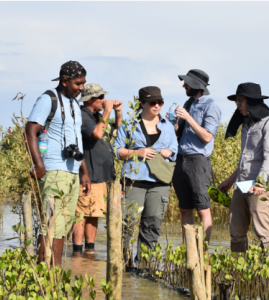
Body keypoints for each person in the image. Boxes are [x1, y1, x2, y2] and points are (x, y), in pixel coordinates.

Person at [25, 61, 91, 266]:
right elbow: (30, 131)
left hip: (72, 172)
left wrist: (84, 172)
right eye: (78, 84)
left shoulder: (74, 104)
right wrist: (39, 164)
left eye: (83, 83)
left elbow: (76, 141)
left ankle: (54, 276)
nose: (81, 88)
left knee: (64, 227)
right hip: (53, 171)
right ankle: (45, 278)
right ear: (65, 81)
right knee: (51, 226)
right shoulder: (48, 99)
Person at [113, 86, 178, 262]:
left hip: (160, 183)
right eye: (152, 103)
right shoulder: (129, 124)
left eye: (160, 102)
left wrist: (170, 152)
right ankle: (123, 265)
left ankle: (145, 267)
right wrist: (137, 153)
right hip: (134, 180)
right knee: (128, 225)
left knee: (152, 226)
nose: (157, 106)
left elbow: (175, 149)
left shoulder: (168, 126)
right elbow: (116, 150)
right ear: (142, 104)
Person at [218, 82, 269, 253]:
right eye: (236, 101)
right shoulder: (245, 125)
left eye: (241, 101)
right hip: (242, 184)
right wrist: (230, 181)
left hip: (260, 185)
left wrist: (260, 183)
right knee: (236, 232)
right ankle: (238, 275)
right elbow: (245, 159)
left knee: (264, 234)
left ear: (252, 102)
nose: (238, 105)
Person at [171, 69, 221, 243]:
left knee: (202, 209)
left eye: (187, 83)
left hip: (198, 161)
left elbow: (207, 137)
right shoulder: (188, 103)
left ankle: (203, 250)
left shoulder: (211, 106)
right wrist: (175, 123)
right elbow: (180, 133)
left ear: (198, 86)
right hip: (181, 159)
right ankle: (188, 250)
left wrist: (189, 118)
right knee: (185, 209)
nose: (184, 85)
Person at [72, 83, 123, 253]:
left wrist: (117, 112)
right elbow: (97, 134)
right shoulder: (82, 115)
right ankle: (77, 252)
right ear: (89, 100)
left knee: (94, 214)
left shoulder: (96, 116)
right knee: (81, 214)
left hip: (102, 175)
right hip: (88, 175)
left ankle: (90, 251)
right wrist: (107, 111)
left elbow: (114, 132)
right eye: (100, 97)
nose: (104, 100)